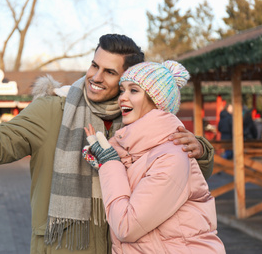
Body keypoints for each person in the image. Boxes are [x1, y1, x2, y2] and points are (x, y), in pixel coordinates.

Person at [0, 34, 215, 253]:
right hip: (63, 247)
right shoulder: (52, 110)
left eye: (110, 72)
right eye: (94, 65)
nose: (95, 77)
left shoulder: (142, 121)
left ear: (128, 80)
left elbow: (176, 180)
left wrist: (200, 150)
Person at [83, 61, 225, 253]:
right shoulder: (132, 149)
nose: (122, 98)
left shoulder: (172, 156)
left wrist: (109, 163)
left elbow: (126, 227)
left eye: (134, 91)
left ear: (157, 101)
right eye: (122, 90)